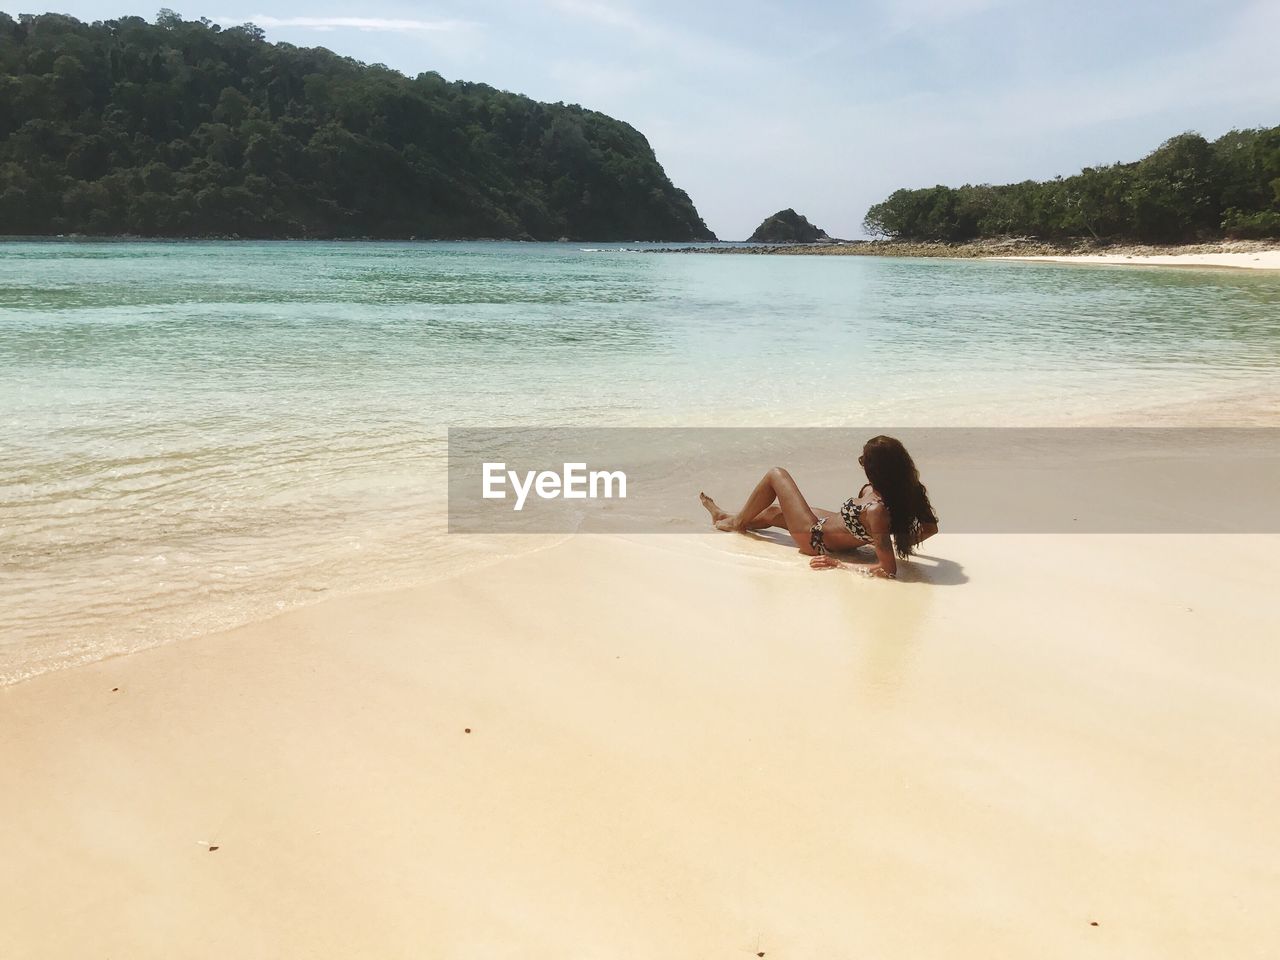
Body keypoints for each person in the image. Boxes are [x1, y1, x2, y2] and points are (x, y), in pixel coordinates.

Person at [699, 435, 938, 580]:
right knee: (773, 512)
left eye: (864, 460)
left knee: (776, 474)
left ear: (877, 469)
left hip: (816, 538)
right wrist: (889, 539)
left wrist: (839, 564)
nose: (861, 463)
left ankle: (735, 523)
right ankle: (726, 516)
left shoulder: (877, 510)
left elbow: (888, 570)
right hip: (831, 524)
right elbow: (931, 528)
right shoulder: (905, 489)